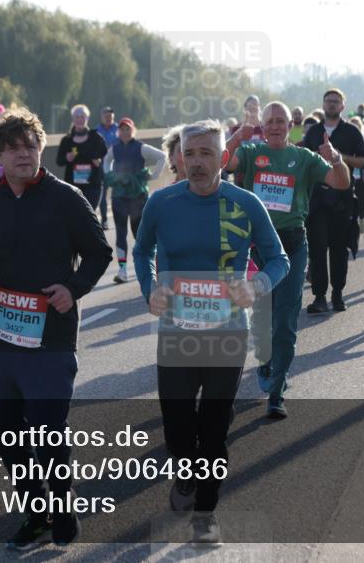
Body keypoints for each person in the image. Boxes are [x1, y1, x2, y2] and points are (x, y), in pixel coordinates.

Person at [0, 107, 112, 550]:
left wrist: (73, 288)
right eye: (12, 147)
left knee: (47, 432)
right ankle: (35, 511)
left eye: (30, 145)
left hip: (51, 341)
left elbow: (99, 253)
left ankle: (62, 508)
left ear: (42, 149)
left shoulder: (66, 199)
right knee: (6, 437)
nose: (23, 154)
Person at [133, 120, 288, 547]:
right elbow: (142, 249)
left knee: (215, 430)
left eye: (207, 153)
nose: (197, 162)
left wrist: (255, 286)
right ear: (179, 157)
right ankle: (184, 476)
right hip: (175, 332)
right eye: (190, 153)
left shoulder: (246, 203)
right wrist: (151, 289)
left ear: (223, 158)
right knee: (179, 428)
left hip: (227, 333)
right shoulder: (161, 203)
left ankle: (205, 513)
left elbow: (279, 260)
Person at [225, 102, 349, 418]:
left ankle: (277, 390)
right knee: (264, 320)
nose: (276, 126)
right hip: (258, 249)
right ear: (262, 127)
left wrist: (333, 157)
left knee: (285, 322)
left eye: (281, 121)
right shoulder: (252, 155)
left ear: (290, 125)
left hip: (292, 245)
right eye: (270, 122)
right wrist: (239, 136)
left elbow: (341, 182)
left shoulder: (304, 158)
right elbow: (222, 164)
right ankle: (268, 362)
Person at [302, 89, 364, 313]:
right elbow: (303, 160)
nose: (331, 105)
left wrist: (339, 157)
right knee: (318, 249)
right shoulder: (313, 132)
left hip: (342, 200)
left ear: (342, 106)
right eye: (328, 101)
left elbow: (363, 162)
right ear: (323, 105)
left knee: (339, 250)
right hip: (317, 200)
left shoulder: (351, 132)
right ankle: (319, 296)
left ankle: (338, 294)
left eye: (335, 102)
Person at [102, 118, 166, 283]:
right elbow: (106, 161)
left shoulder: (141, 147)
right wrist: (109, 174)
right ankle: (122, 271)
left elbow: (161, 156)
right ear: (118, 131)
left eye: (127, 129)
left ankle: (147, 266)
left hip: (138, 197)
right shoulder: (114, 149)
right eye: (122, 129)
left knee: (140, 234)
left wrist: (153, 176)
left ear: (133, 130)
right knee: (121, 233)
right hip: (119, 196)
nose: (124, 132)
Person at [56, 104, 108, 210]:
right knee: (75, 216)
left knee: (89, 214)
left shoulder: (95, 137)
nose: (79, 119)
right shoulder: (67, 140)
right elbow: (59, 161)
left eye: (82, 116)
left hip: (93, 185)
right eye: (77, 116)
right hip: (73, 186)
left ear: (87, 118)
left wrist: (99, 161)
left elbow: (104, 153)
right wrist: (67, 158)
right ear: (73, 119)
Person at [95, 107, 119, 229]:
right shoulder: (96, 131)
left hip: (117, 167)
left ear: (113, 117)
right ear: (101, 117)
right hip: (101, 167)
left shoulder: (120, 129)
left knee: (117, 195)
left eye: (110, 117)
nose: (108, 119)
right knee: (102, 195)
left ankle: (119, 219)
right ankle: (104, 220)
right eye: (105, 116)